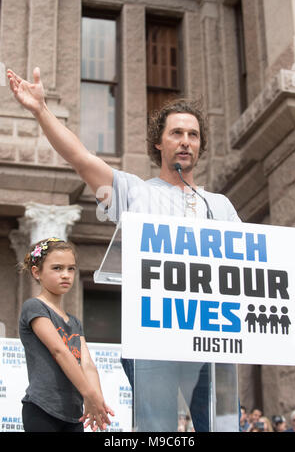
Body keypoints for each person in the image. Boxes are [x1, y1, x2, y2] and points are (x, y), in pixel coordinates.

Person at [8, 67, 240, 431]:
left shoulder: (222, 207)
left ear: (201, 145)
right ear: (158, 143)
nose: (185, 141)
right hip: (152, 341)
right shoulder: (134, 193)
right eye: (176, 133)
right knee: (157, 432)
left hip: (211, 342)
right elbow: (82, 159)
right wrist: (40, 110)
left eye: (193, 135)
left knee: (222, 427)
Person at [19, 237, 114, 432]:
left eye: (71, 268)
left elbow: (87, 364)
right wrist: (88, 393)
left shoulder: (74, 321)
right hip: (42, 409)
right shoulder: (34, 307)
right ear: (37, 272)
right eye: (57, 268)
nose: (66, 275)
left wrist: (96, 400)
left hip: (74, 413)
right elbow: (59, 351)